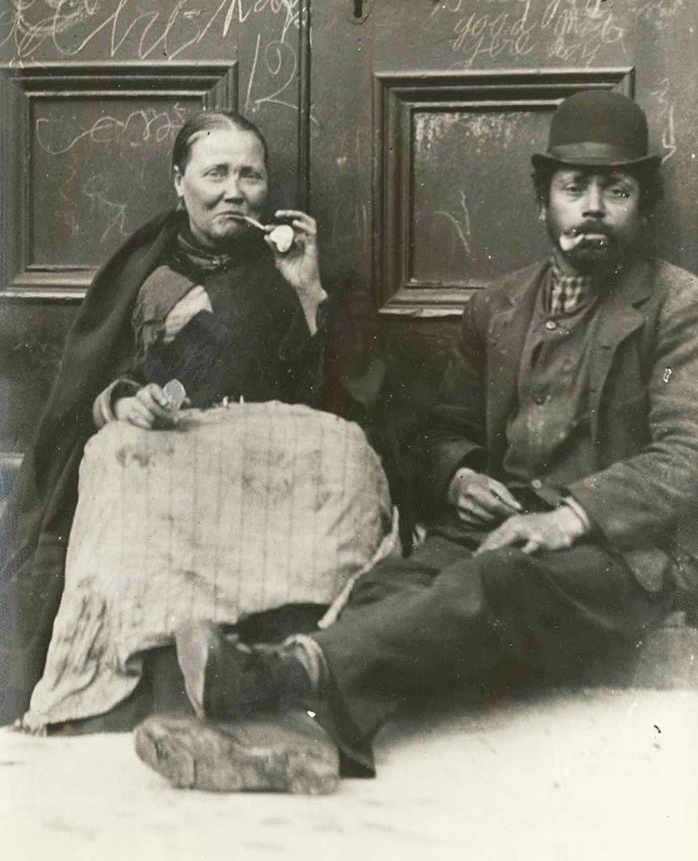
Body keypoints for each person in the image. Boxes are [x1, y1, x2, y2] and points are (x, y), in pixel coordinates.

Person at [133, 89, 698, 795]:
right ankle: (297, 740)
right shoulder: (499, 306)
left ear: (642, 206)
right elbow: (445, 430)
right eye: (574, 188)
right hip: (501, 525)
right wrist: (460, 476)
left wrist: (569, 518)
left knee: (493, 581)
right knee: (388, 585)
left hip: (615, 560)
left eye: (615, 191)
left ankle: (276, 681)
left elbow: (687, 455)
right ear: (542, 202)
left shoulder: (677, 305)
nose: (592, 208)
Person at [0, 110, 392, 733]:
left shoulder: (306, 270)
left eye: (250, 176)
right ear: (179, 182)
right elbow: (90, 390)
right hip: (172, 458)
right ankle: (153, 690)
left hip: (269, 468)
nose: (235, 191)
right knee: (115, 456)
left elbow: (336, 405)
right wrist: (124, 403)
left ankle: (286, 673)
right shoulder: (142, 271)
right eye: (216, 173)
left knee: (345, 456)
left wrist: (306, 292)